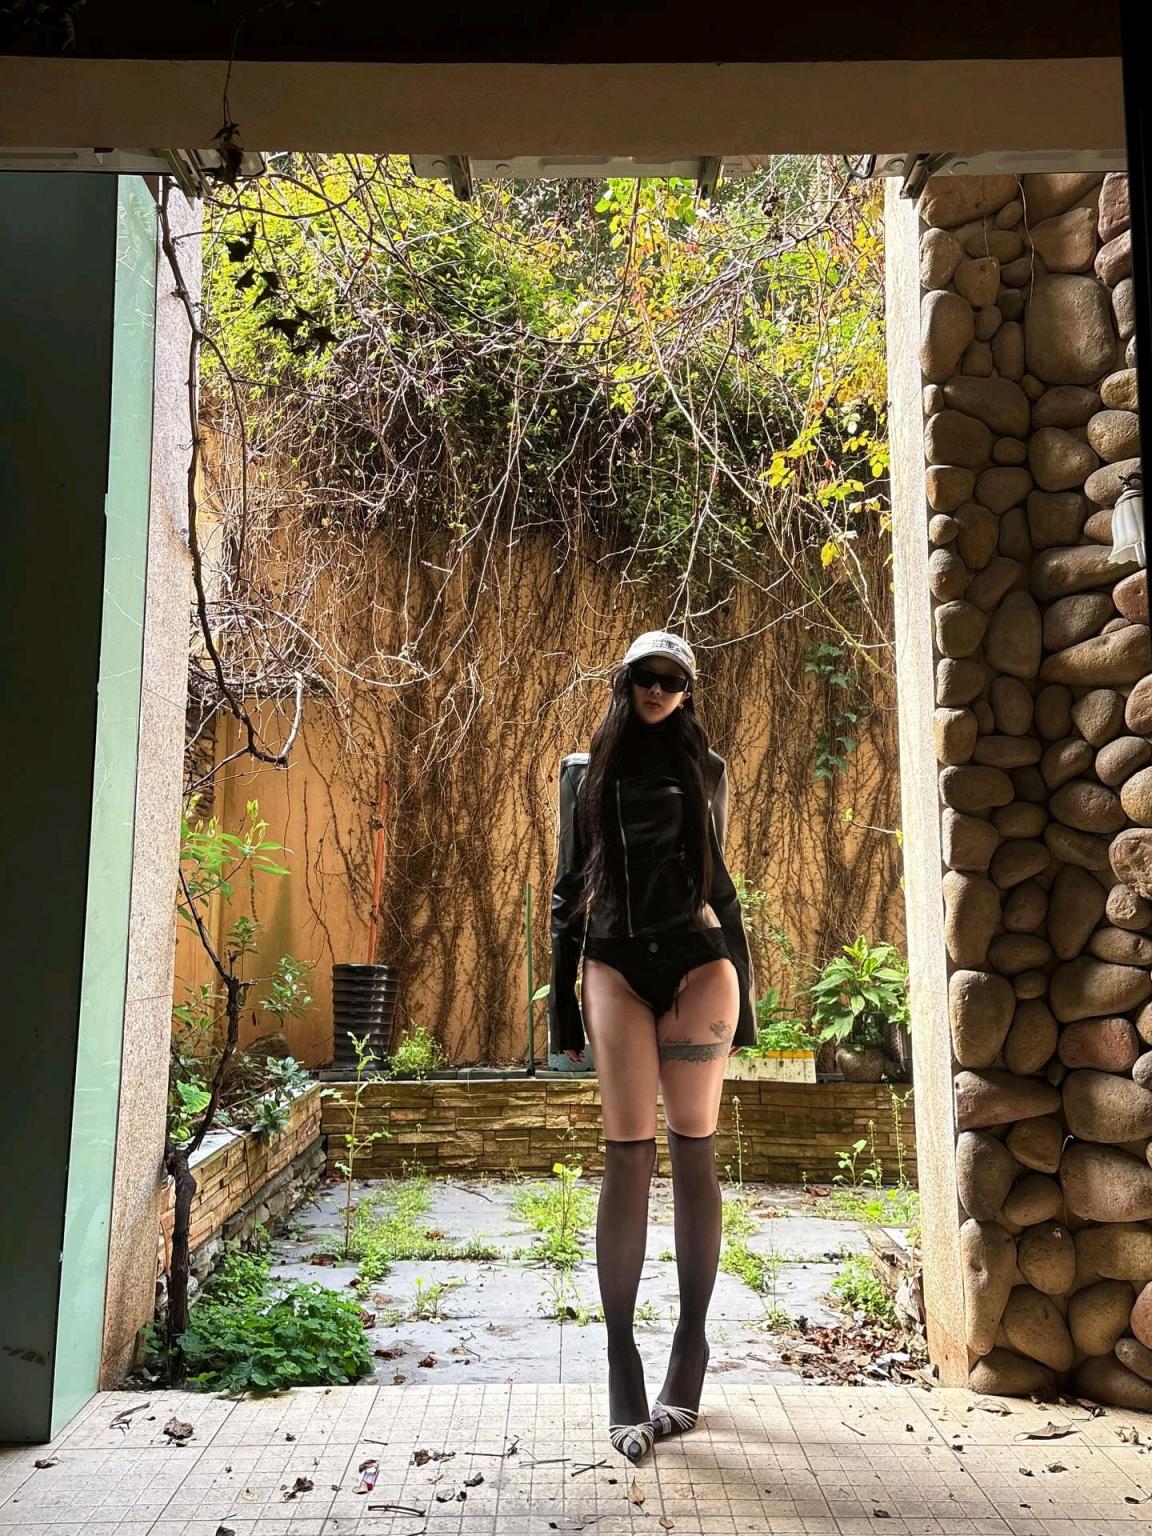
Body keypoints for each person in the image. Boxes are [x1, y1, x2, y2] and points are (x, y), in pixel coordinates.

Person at [547, 630, 756, 1464]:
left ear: (688, 689)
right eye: (647, 675)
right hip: (614, 963)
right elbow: (568, 890)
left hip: (700, 966)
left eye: (674, 679)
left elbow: (718, 882)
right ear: (626, 680)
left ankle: (690, 1348)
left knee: (694, 1150)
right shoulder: (582, 773)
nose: (659, 689)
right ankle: (621, 1360)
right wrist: (562, 1011)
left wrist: (747, 996)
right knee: (627, 1156)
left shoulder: (709, 768)